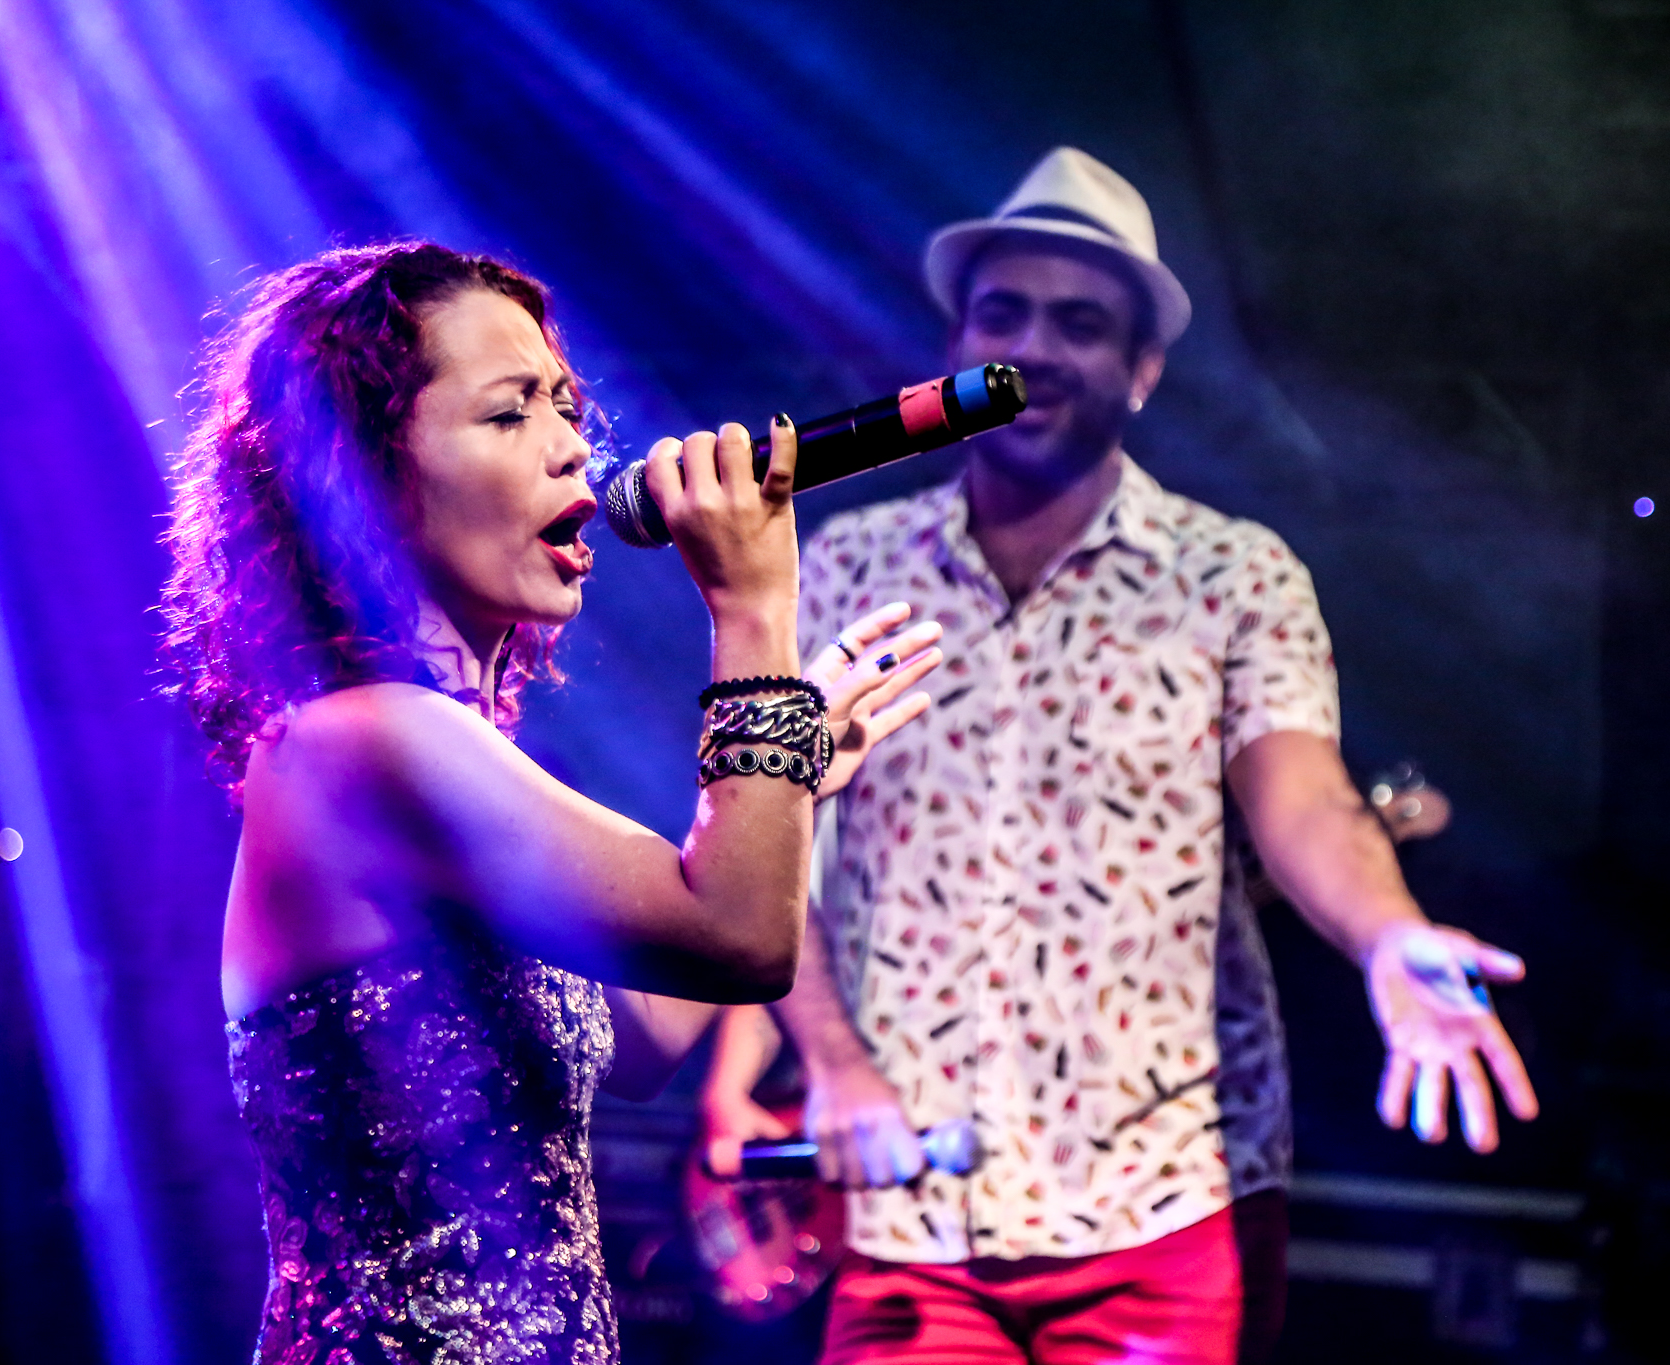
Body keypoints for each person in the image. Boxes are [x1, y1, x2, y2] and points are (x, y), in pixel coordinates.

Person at [701, 149, 1541, 1365]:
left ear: (1142, 371)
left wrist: (1386, 934)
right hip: (907, 1211)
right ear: (954, 347)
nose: (1032, 348)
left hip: (1165, 1208)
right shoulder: (841, 564)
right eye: (1001, 314)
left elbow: (1304, 800)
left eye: (1080, 324)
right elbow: (779, 848)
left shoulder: (1231, 573)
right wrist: (829, 1063)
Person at [158, 241, 944, 1365]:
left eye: (565, 406)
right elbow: (739, 936)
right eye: (509, 412)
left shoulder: (450, 759)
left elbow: (648, 1033)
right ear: (362, 475)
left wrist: (798, 776)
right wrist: (752, 612)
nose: (573, 444)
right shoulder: (359, 744)